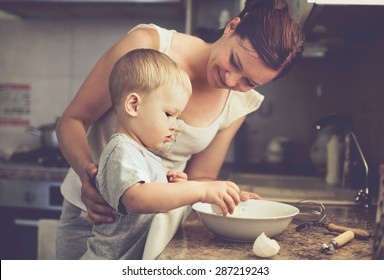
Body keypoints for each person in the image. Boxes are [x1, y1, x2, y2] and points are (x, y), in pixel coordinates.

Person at [56, 0, 305, 259]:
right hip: (92, 219)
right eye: (234, 61)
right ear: (232, 27)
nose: (230, 80)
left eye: (249, 82)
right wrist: (88, 178)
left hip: (152, 232)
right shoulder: (148, 45)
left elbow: (201, 178)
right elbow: (73, 120)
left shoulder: (239, 102)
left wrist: (223, 196)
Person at [79, 48, 241, 259]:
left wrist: (174, 188)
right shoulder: (121, 150)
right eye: (169, 114)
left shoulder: (142, 154)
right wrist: (198, 190)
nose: (175, 125)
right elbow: (137, 198)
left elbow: (153, 199)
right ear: (134, 105)